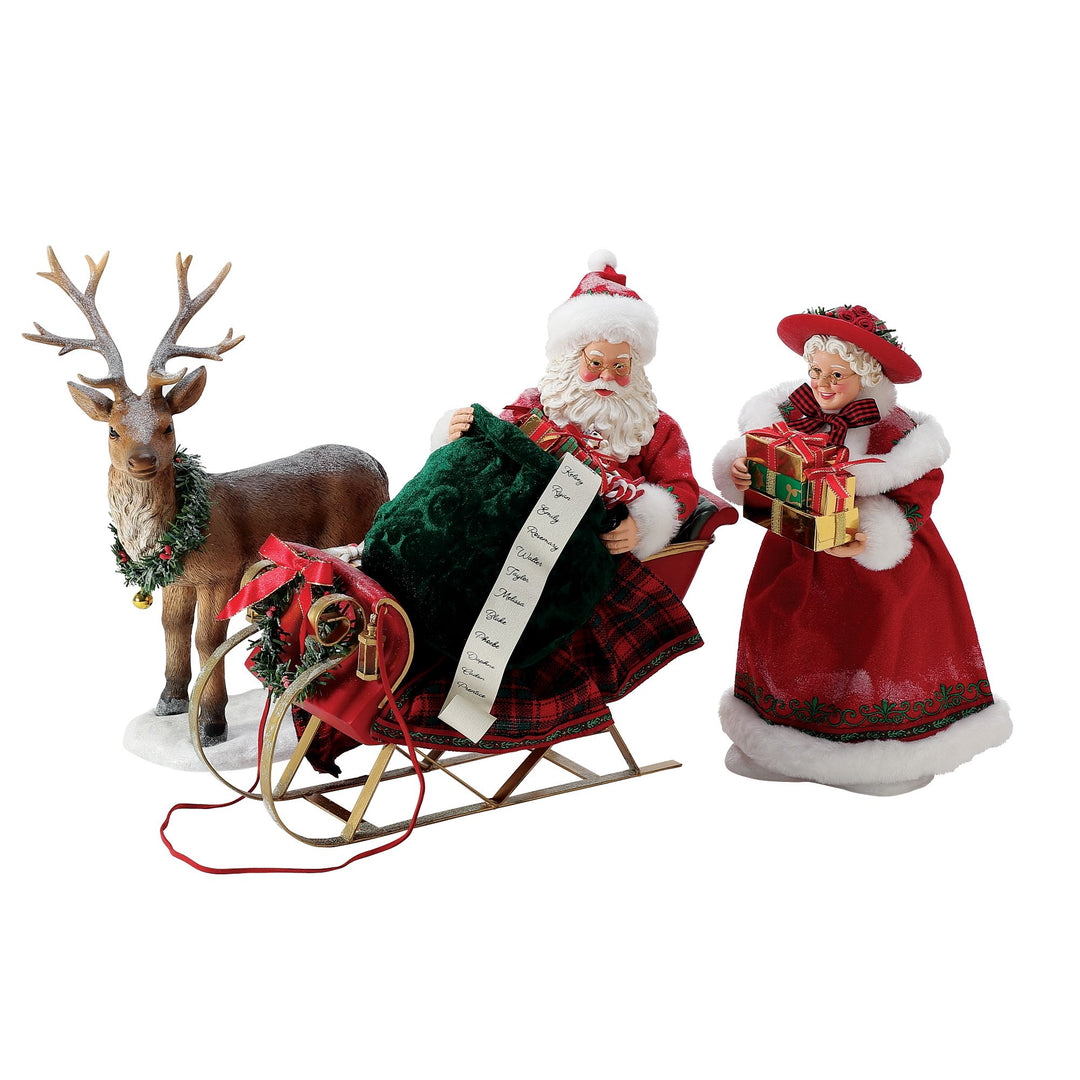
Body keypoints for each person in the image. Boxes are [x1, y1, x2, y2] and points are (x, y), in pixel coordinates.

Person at [713, 304, 1011, 795]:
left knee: (877, 641)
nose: (823, 384)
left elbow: (919, 492)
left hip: (877, 566)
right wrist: (743, 473)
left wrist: (874, 534)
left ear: (866, 375)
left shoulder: (899, 434)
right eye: (815, 371)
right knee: (787, 635)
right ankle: (781, 744)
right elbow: (763, 465)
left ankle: (881, 755)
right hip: (796, 553)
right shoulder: (787, 416)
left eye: (837, 374)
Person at [435, 249, 699, 560]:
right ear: (573, 360)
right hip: (515, 523)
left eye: (620, 366)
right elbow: (497, 439)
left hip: (588, 545)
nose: (607, 376)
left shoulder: (656, 427)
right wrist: (462, 432)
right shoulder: (537, 404)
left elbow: (681, 487)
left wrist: (643, 524)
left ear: (635, 368)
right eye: (596, 362)